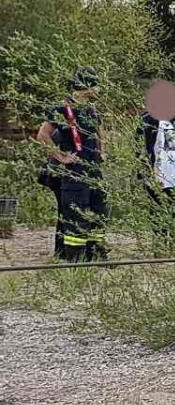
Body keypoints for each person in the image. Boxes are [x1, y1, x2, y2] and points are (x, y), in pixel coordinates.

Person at [35, 67, 108, 261]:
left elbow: (98, 133)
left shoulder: (91, 109)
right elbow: (43, 135)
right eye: (95, 85)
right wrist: (60, 156)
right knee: (75, 211)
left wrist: (102, 152)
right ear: (85, 87)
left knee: (98, 208)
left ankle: (95, 252)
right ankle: (74, 256)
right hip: (74, 172)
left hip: (93, 169)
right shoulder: (62, 109)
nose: (98, 90)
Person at [137, 102, 175, 245]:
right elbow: (140, 147)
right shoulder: (147, 120)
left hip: (174, 173)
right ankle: (159, 242)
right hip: (155, 172)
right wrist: (147, 172)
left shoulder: (174, 122)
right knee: (157, 207)